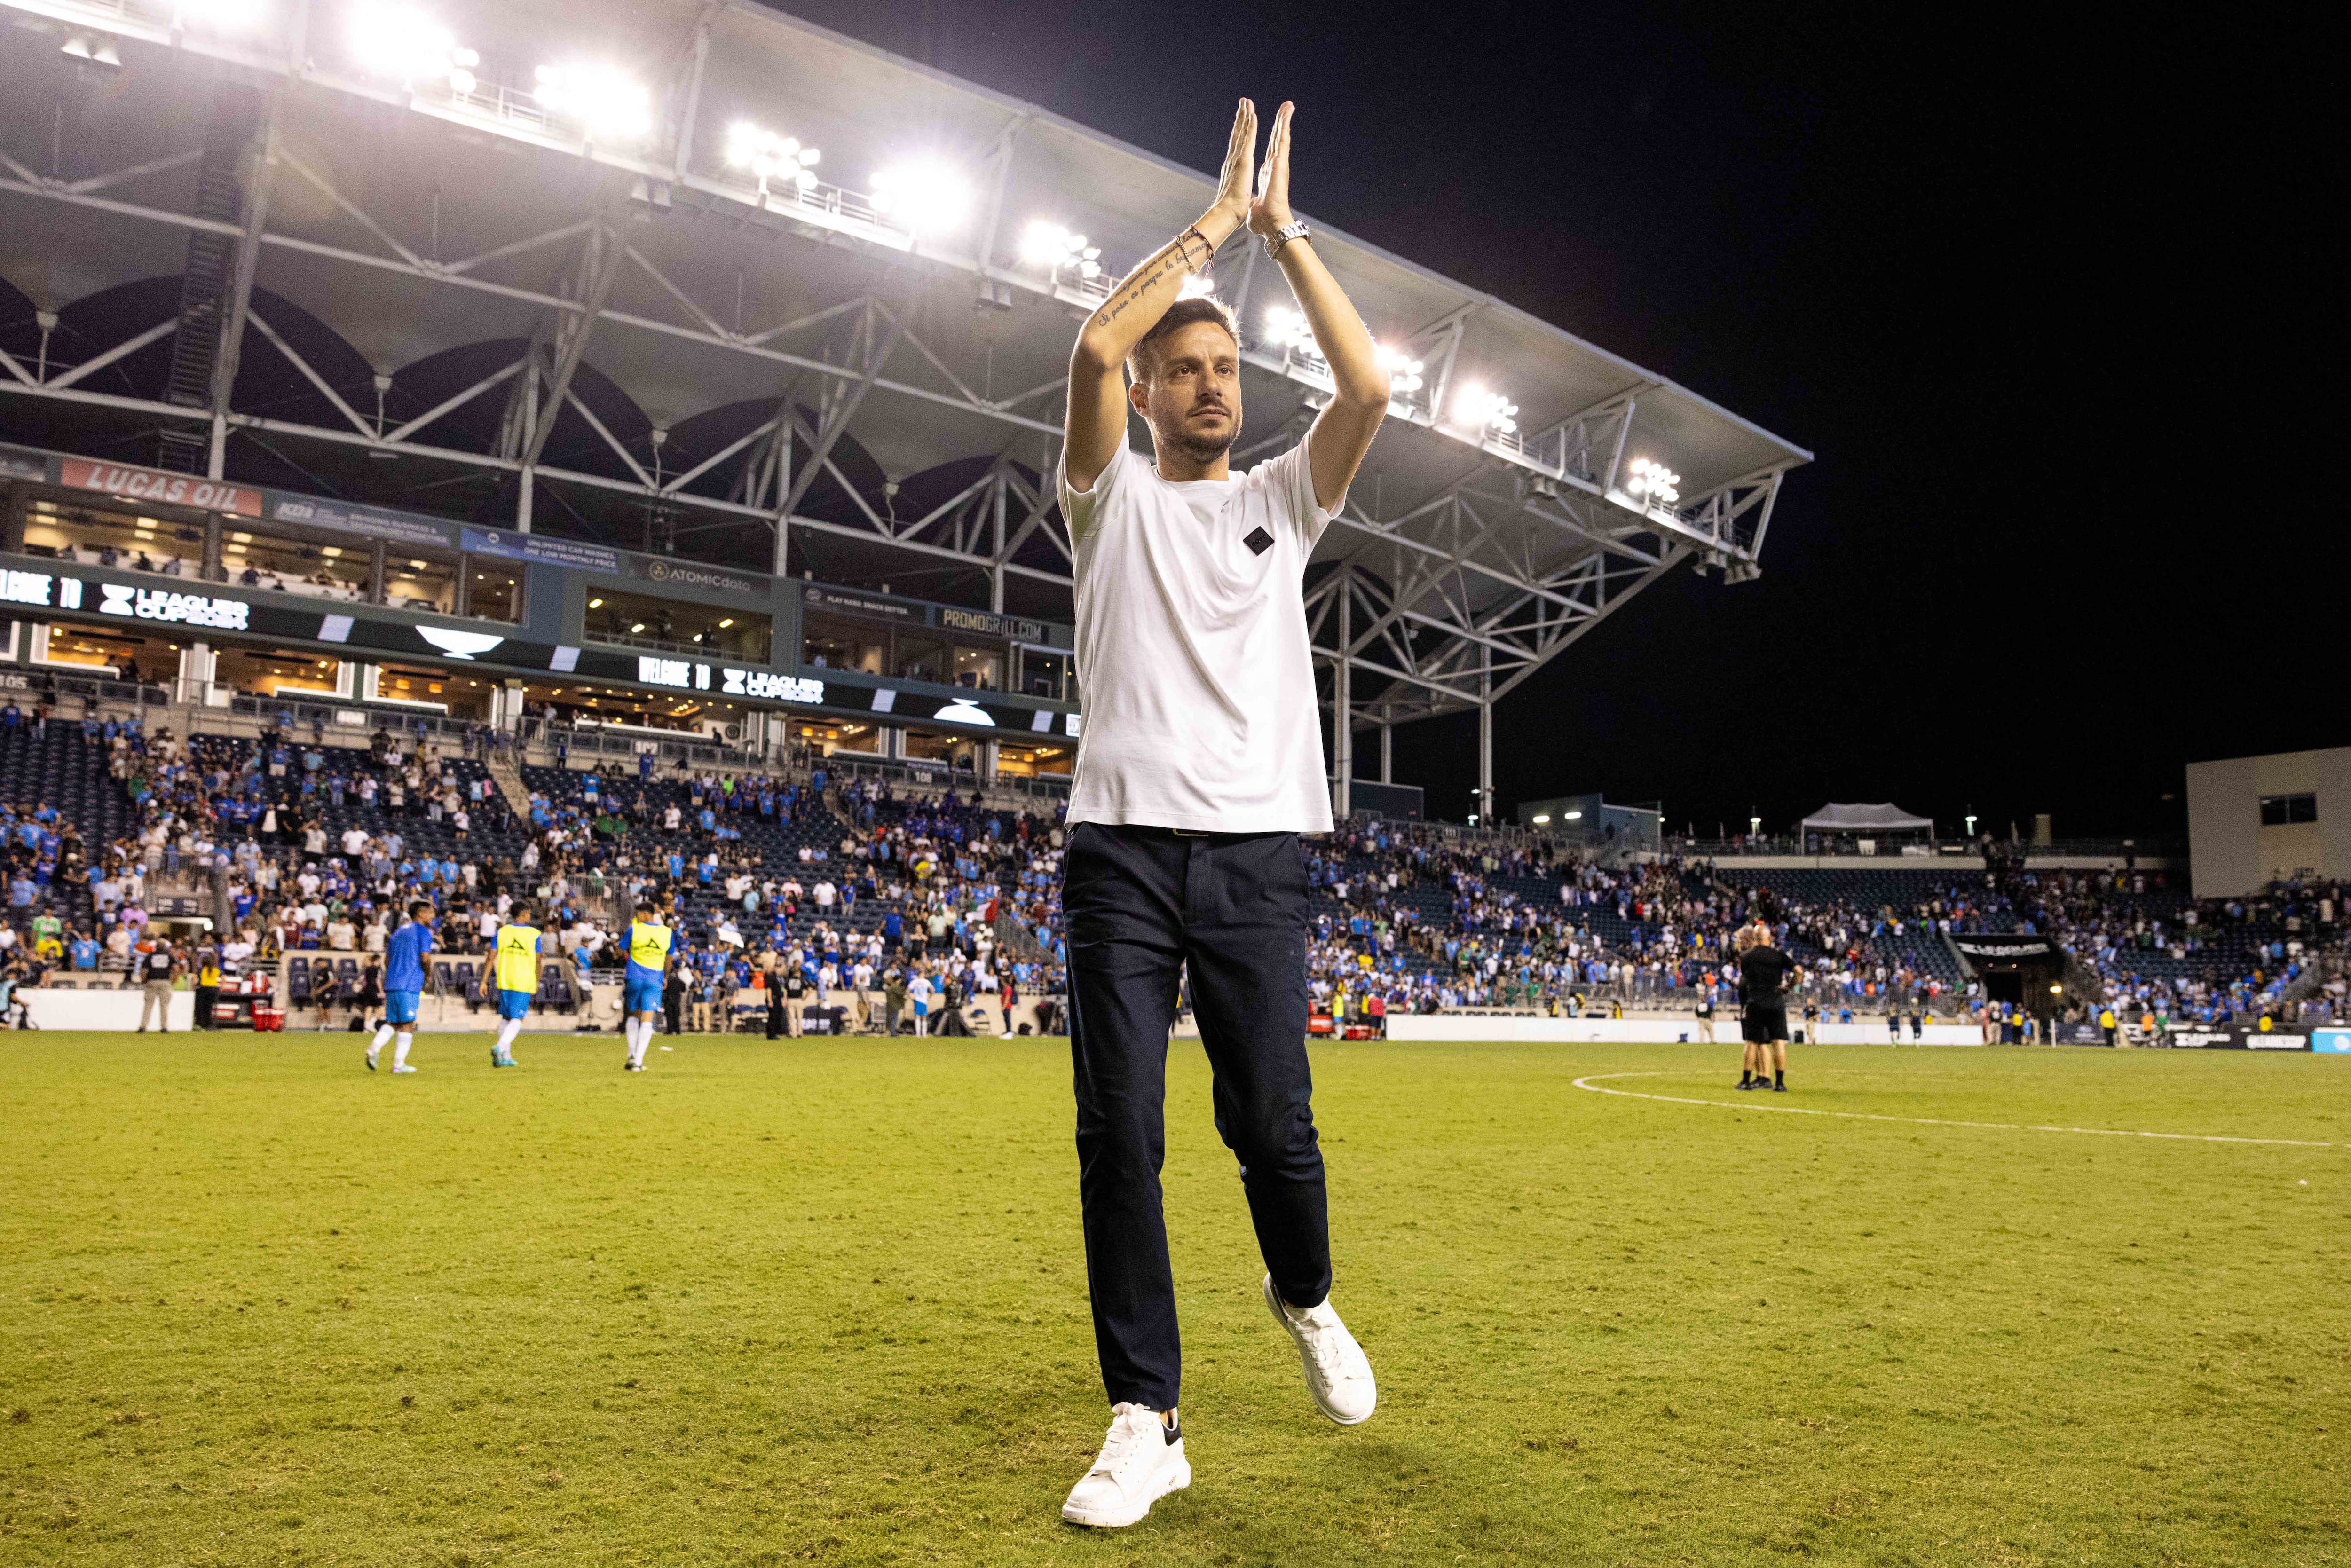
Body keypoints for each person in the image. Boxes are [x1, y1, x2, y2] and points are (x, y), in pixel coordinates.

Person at [1051, 99, 1381, 1530]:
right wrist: (1204, 225)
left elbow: (1366, 391)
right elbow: (1086, 349)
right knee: (1118, 1131)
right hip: (1117, 853)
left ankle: (1301, 1293)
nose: (1203, 383)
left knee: (1275, 1133)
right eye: (1180, 367)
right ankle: (1148, 1413)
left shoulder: (1280, 501)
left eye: (1221, 365)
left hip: (1254, 855)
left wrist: (1281, 235)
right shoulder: (1101, 498)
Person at [368, 901, 435, 1074]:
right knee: (407, 1024)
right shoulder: (424, 932)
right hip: (409, 984)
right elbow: (425, 958)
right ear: (421, 913)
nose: (433, 917)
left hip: (392, 983)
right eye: (430, 913)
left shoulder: (398, 932)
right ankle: (398, 1065)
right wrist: (428, 975)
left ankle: (374, 1049)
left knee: (393, 1022)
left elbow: (387, 961)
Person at [1732, 921, 1797, 1092]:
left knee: (1756, 1042)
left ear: (1750, 938)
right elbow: (1798, 970)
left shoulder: (1748, 957)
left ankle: (1762, 1077)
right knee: (1772, 1042)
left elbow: (1747, 978)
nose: (1738, 942)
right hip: (1773, 1002)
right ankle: (1773, 1081)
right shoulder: (1777, 955)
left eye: (1740, 938)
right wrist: (1789, 987)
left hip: (1756, 1002)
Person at [621, 903, 671, 1071]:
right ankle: (639, 1061)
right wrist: (667, 976)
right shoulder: (667, 932)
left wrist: (629, 955)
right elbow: (669, 958)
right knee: (648, 1019)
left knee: (633, 1015)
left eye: (638, 914)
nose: (637, 917)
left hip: (634, 977)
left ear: (644, 914)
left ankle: (631, 1055)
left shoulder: (634, 929)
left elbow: (620, 951)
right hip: (655, 978)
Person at [489, 903, 539, 1068]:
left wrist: (483, 981)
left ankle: (505, 1056)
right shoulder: (533, 934)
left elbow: (491, 957)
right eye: (529, 914)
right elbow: (539, 960)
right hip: (522, 980)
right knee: (519, 1018)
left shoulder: (501, 932)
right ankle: (500, 1047)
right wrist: (537, 980)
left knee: (506, 1018)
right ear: (524, 914)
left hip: (504, 980)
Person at [135, 939, 177, 1032]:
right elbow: (175, 968)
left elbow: (143, 970)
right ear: (164, 947)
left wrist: (144, 980)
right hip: (165, 981)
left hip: (152, 981)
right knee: (164, 1005)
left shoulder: (150, 956)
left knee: (148, 1005)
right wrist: (175, 979)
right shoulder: (169, 956)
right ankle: (164, 1027)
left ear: (156, 946)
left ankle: (143, 1027)